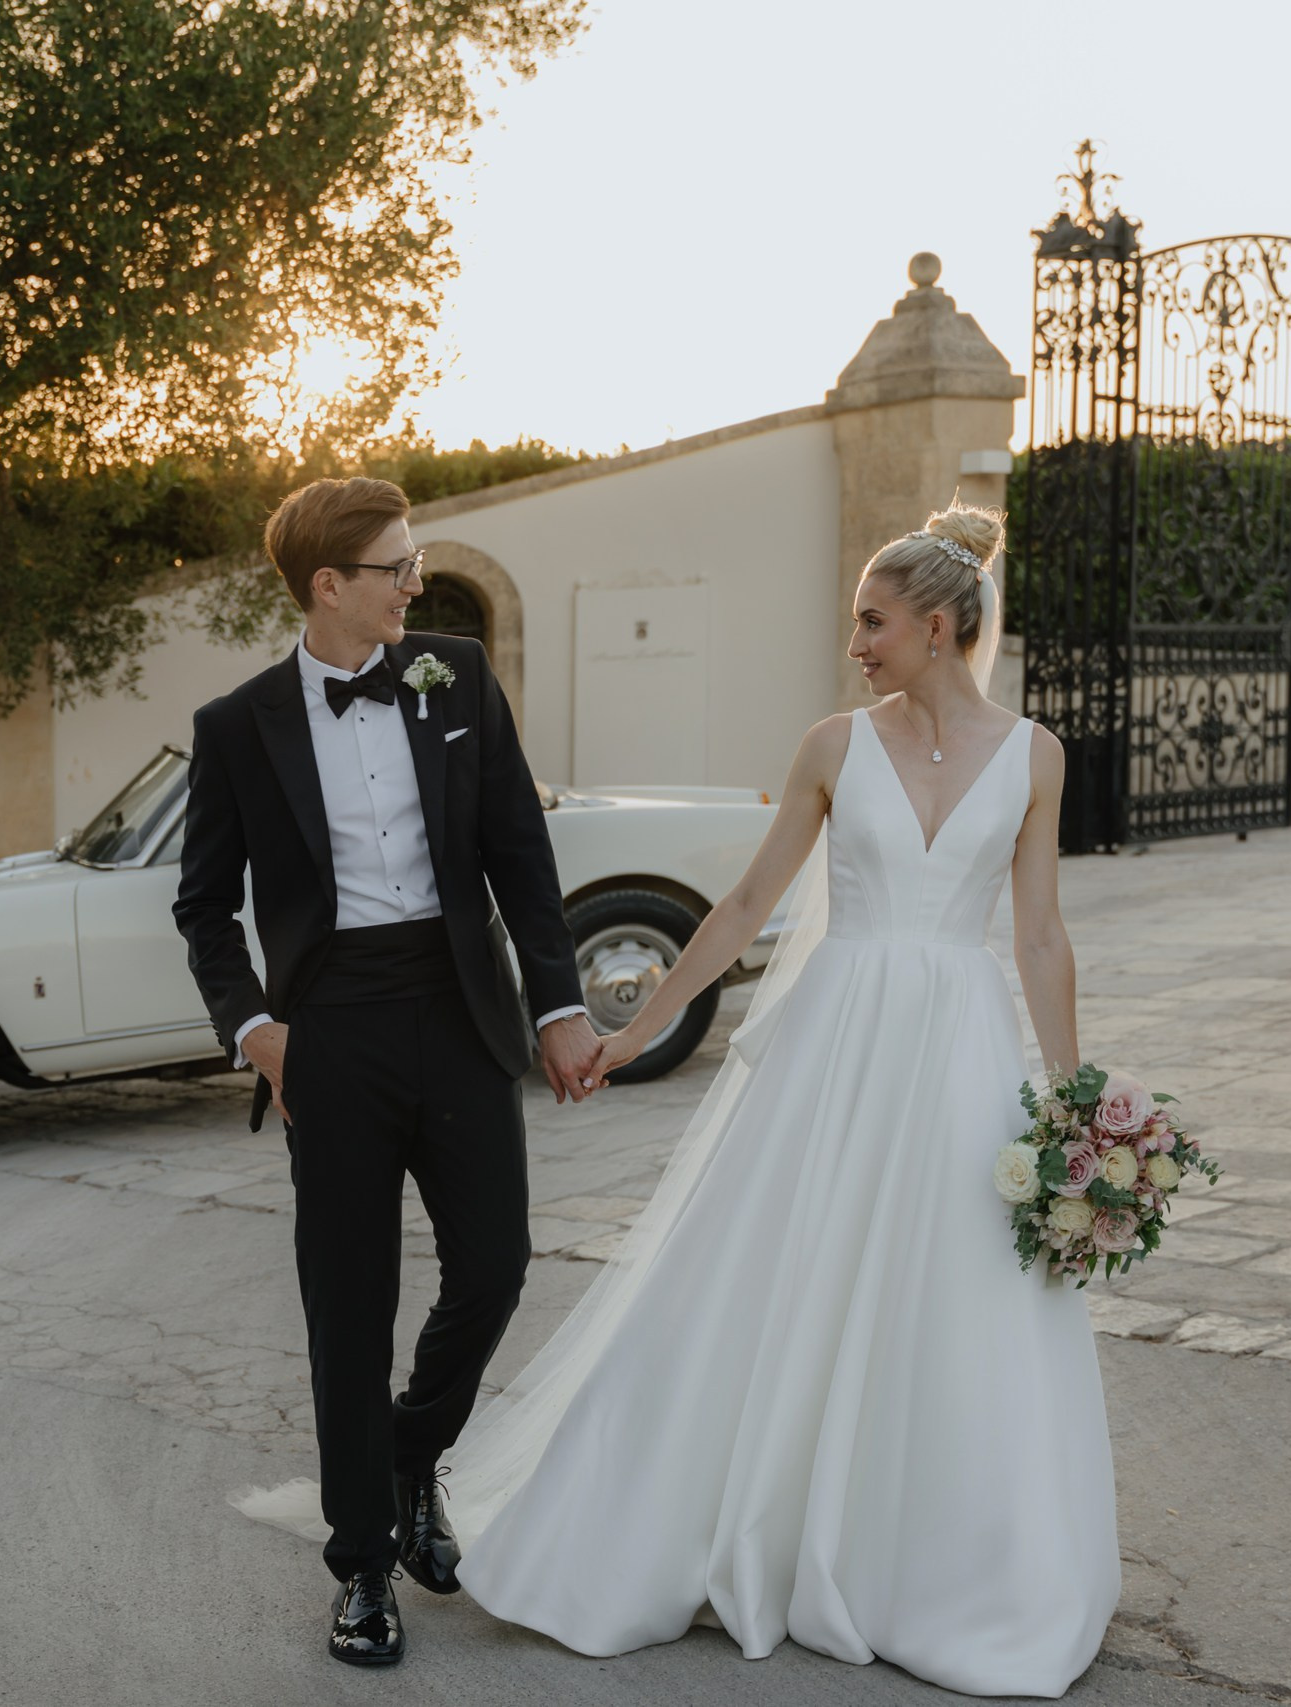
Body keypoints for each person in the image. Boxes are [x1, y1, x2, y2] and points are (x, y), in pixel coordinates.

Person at [446, 503, 1121, 1696]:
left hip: (957, 1049)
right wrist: (633, 1026)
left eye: (871, 620)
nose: (853, 640)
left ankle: (939, 1564)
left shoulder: (1035, 756)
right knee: (768, 1271)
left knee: (951, 1290)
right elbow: (747, 909)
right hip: (837, 1042)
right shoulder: (828, 746)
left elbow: (1041, 934)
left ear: (936, 624)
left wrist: (1072, 1111)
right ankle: (710, 1521)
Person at [173, 476, 604, 1669]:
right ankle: (363, 1563)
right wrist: (253, 1029)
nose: (417, 581)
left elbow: (518, 844)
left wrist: (561, 1004)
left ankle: (410, 1453)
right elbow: (203, 909)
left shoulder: (453, 674)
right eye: (397, 566)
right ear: (330, 585)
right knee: (348, 1303)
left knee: (497, 1265)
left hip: (462, 1011)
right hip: (332, 1036)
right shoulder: (237, 726)